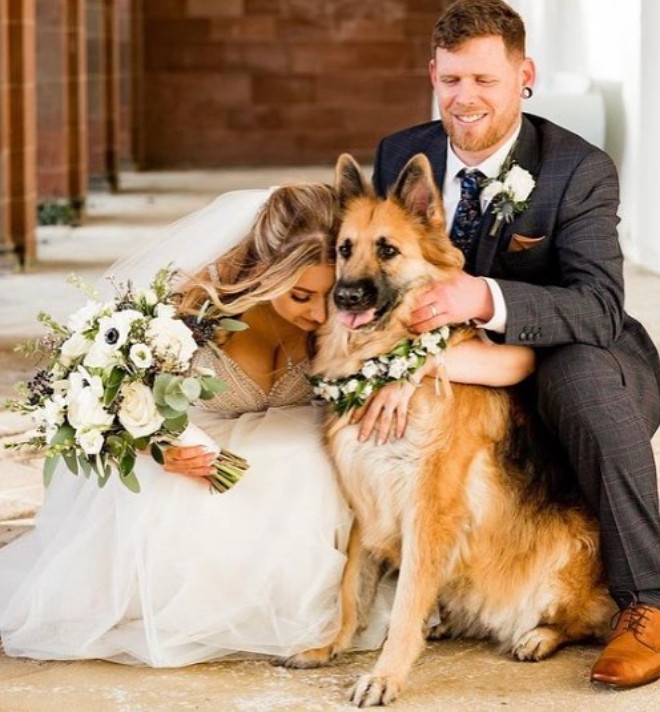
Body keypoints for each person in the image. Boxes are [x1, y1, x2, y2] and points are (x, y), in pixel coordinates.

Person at [0, 180, 532, 668]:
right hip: (191, 461)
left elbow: (516, 364)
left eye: (332, 294)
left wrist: (418, 365)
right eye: (301, 295)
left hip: (288, 469)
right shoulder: (189, 309)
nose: (321, 315)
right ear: (265, 271)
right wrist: (158, 445)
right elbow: (100, 396)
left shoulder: (358, 319)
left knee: (315, 459)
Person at [369, 0, 660, 690]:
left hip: (578, 353)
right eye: (451, 80)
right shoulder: (398, 154)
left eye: (485, 80)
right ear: (432, 74)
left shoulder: (576, 168)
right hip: (456, 357)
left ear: (524, 75)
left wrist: (485, 297)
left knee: (578, 379)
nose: (465, 99)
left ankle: (647, 601)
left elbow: (597, 307)